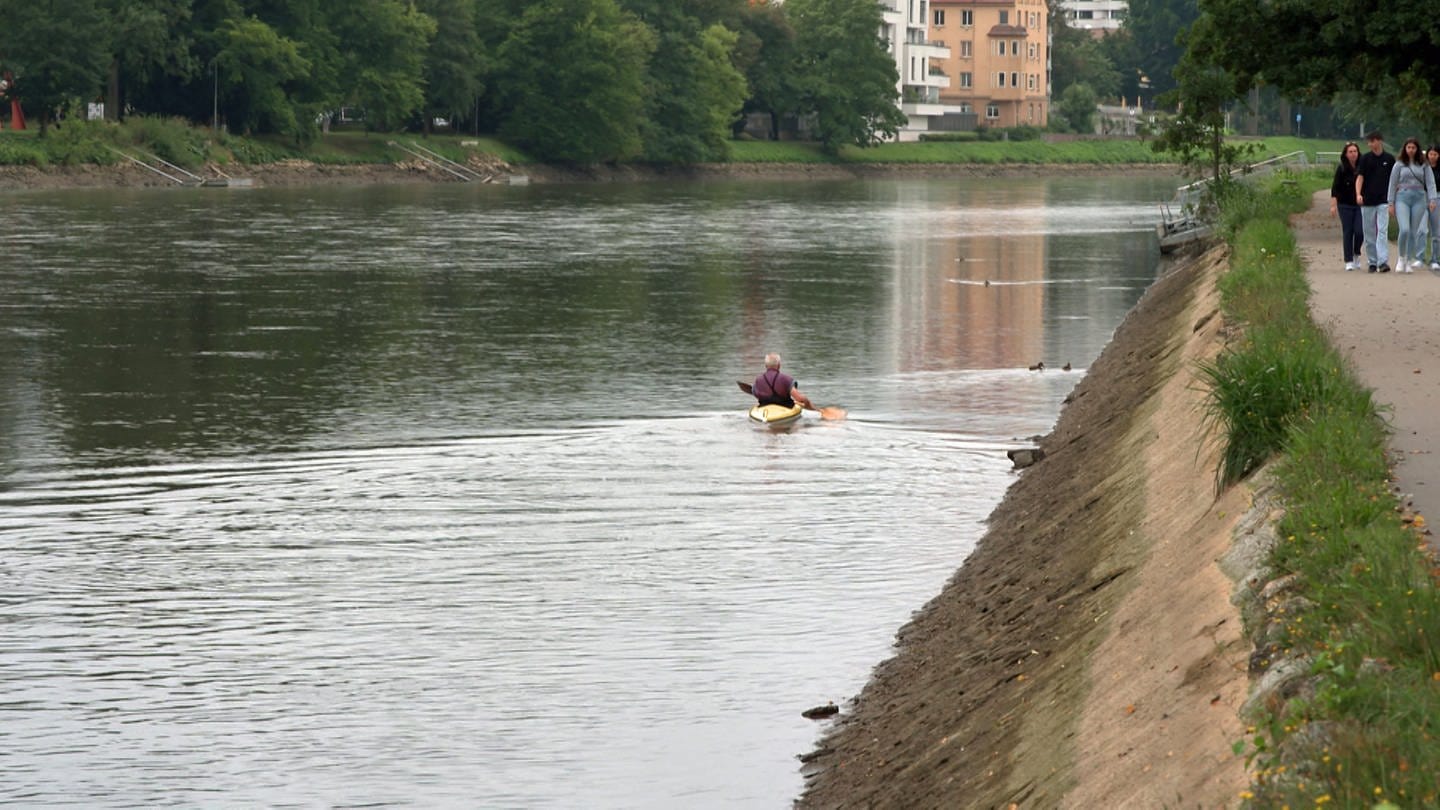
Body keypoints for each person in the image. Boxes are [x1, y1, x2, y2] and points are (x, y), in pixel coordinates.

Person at [1387, 136, 1437, 273]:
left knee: (1414, 232)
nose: (1410, 150)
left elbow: (1430, 182)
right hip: (1402, 197)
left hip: (1419, 198)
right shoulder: (1399, 164)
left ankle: (1409, 260)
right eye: (1408, 147)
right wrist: (1390, 203)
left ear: (1417, 149)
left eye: (1413, 148)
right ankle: (1401, 258)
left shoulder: (1424, 164)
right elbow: (1392, 183)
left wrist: (1432, 199)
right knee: (1405, 229)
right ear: (1405, 148)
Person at [1356, 130, 1396, 273]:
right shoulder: (1365, 159)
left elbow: (1394, 180)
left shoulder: (1390, 159)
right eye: (1369, 142)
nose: (1370, 144)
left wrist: (1393, 200)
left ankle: (1383, 261)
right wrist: (1358, 194)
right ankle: (1372, 261)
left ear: (1379, 141)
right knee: (1369, 233)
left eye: (1372, 141)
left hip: (1383, 200)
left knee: (1382, 231)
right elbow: (1360, 178)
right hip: (1368, 200)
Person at [1329, 141, 1364, 271]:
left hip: (1360, 204)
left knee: (1360, 231)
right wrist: (1333, 205)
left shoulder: (1362, 167)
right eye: (1350, 152)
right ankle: (1348, 260)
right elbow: (1335, 188)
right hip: (1344, 204)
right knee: (1348, 231)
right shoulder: (1342, 168)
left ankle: (1356, 253)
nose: (1353, 154)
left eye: (1355, 151)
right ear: (1346, 154)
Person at [1427, 145, 1440, 271]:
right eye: (1431, 154)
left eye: (1435, 154)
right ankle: (1419, 257)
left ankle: (1435, 259)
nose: (1432, 157)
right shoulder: (1423, 167)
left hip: (1437, 197)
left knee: (1436, 231)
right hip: (1422, 197)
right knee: (1421, 230)